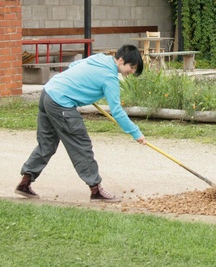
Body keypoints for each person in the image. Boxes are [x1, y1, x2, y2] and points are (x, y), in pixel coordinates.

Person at [15, 45, 146, 203]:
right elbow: (117, 110)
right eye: (131, 67)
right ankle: (96, 190)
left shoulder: (100, 58)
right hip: (61, 103)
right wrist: (135, 132)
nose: (132, 71)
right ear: (120, 60)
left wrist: (84, 87)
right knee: (80, 144)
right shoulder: (110, 78)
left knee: (47, 143)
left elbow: (73, 66)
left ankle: (25, 182)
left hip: (48, 93)